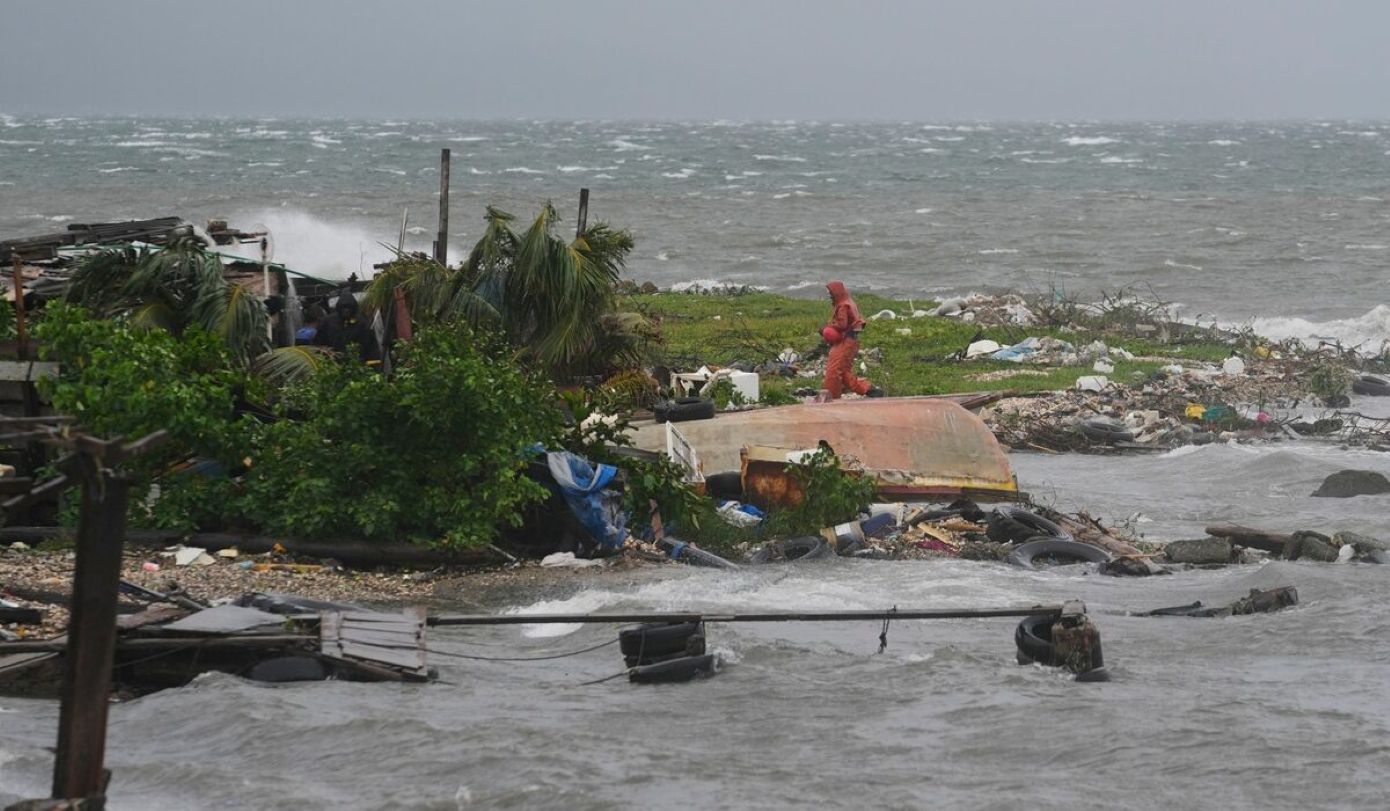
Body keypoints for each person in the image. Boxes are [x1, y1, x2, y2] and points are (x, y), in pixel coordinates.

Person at [821, 280, 882, 399]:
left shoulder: (843, 305)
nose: (830, 296)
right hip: (851, 340)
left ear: (836, 292)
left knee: (833, 370)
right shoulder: (849, 301)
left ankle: (831, 396)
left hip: (844, 341)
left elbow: (842, 324)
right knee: (844, 371)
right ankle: (869, 389)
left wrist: (827, 327)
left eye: (831, 293)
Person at [314, 291, 380, 362]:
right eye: (344, 307)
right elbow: (318, 344)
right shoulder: (328, 322)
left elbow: (371, 347)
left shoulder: (362, 323)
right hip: (332, 362)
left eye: (349, 307)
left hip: (357, 362)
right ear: (339, 308)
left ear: (354, 308)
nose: (346, 310)